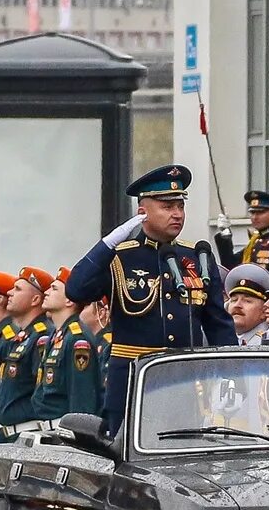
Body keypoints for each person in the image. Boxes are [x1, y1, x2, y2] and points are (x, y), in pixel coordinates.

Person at [66, 165, 236, 435]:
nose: (177, 214)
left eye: (180, 206)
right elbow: (75, 290)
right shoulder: (120, 256)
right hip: (131, 383)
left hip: (183, 384)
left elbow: (219, 324)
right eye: (167, 207)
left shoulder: (196, 257)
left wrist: (231, 376)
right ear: (142, 212)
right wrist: (108, 244)